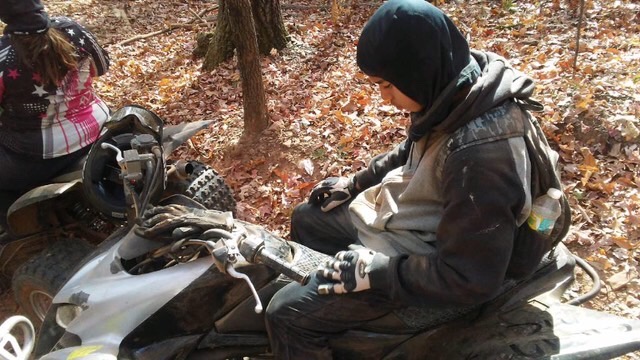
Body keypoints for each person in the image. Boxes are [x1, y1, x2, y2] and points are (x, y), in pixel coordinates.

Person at [263, 0, 571, 358]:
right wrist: (355, 183)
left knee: (286, 313)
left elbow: (471, 277)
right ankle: (353, 331)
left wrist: (379, 273)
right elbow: (410, 148)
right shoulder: (454, 91)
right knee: (308, 219)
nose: (383, 96)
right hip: (422, 223)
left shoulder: (483, 156)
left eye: (387, 85)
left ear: (416, 71)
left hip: (441, 261)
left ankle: (348, 321)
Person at [0, 0, 110, 242]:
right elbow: (101, 67)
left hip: (32, 158)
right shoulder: (74, 31)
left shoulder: (4, 54)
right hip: (97, 132)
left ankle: (17, 235)